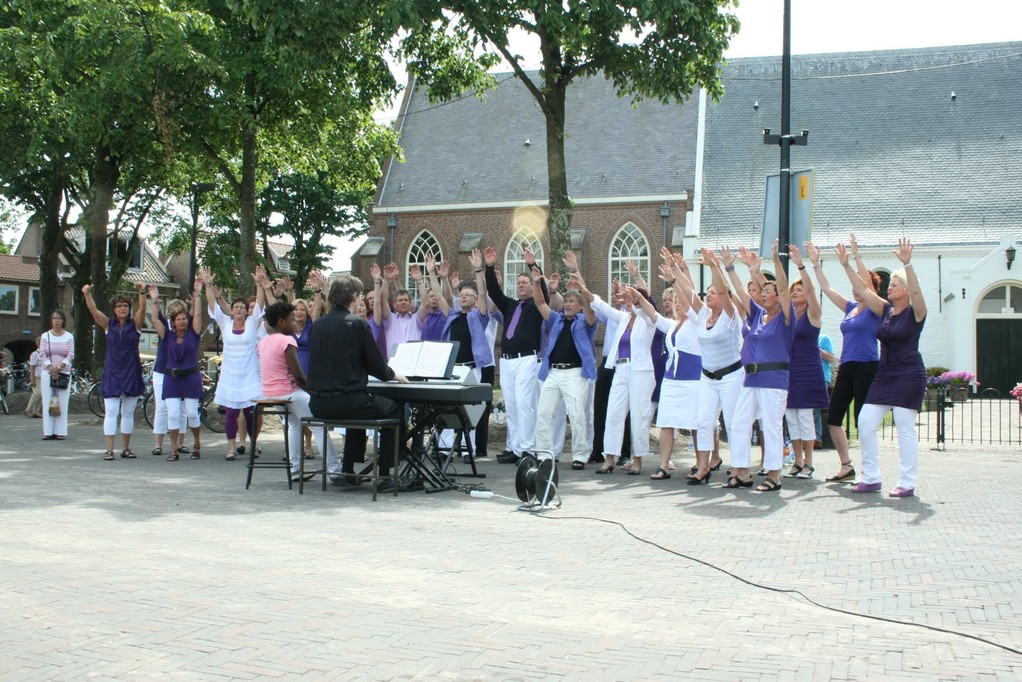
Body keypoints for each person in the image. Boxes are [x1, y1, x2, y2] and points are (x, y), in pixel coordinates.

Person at [840, 238, 927, 497]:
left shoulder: (916, 311)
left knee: (904, 427)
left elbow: (918, 293)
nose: (890, 287)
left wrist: (907, 264)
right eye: (890, 284)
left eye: (895, 285)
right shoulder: (886, 310)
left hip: (909, 373)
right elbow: (863, 289)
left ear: (906, 290)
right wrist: (847, 264)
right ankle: (871, 478)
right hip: (885, 374)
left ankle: (907, 482)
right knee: (865, 421)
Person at [306, 275, 408, 488]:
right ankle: (385, 475)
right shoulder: (357, 324)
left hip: (318, 404)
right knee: (393, 409)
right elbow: (375, 364)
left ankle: (347, 471)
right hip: (347, 403)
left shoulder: (317, 325)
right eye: (360, 296)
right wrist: (392, 375)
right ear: (354, 297)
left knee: (359, 405)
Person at [805, 238, 881, 483]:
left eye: (859, 286)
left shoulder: (876, 309)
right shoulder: (850, 308)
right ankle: (846, 465)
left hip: (867, 367)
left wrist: (854, 258)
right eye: (853, 286)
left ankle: (869, 471)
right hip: (847, 367)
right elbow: (827, 288)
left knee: (863, 421)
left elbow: (866, 285)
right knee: (834, 418)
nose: (855, 289)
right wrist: (815, 264)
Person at [721, 243, 793, 492]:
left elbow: (783, 288)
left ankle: (774, 474)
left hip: (774, 378)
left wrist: (776, 263)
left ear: (778, 297)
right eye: (762, 292)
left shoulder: (785, 318)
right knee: (740, 422)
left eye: (768, 292)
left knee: (771, 425)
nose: (763, 294)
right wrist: (730, 267)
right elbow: (742, 293)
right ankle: (742, 471)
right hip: (751, 379)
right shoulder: (757, 316)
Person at [634, 248, 704, 480]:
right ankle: (664, 464)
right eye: (675, 302)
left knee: (695, 424)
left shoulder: (696, 322)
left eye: (679, 301)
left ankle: (700, 464)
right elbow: (653, 315)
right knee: (666, 423)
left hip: (692, 381)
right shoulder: (672, 326)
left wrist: (676, 273)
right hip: (671, 381)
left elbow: (690, 294)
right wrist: (640, 298)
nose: (677, 304)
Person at [483, 246, 549, 464]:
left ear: (532, 285)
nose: (520, 285)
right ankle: (514, 447)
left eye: (525, 282)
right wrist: (489, 266)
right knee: (511, 405)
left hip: (527, 359)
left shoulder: (537, 306)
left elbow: (544, 292)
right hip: (507, 361)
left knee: (524, 404)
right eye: (518, 282)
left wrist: (533, 266)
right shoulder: (511, 305)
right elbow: (493, 292)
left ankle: (528, 449)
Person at [589, 279, 657, 476]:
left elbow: (648, 309)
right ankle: (609, 458)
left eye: (630, 299)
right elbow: (602, 306)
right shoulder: (624, 318)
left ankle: (637, 459)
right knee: (613, 413)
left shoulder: (647, 319)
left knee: (638, 416)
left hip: (640, 372)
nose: (626, 303)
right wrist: (584, 289)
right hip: (621, 369)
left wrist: (638, 296)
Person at [533, 266, 598, 469]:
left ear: (579, 306)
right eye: (566, 301)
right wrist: (536, 282)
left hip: (576, 373)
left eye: (571, 301)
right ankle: (544, 454)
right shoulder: (557, 319)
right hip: (553, 372)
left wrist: (582, 288)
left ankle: (580, 456)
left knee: (577, 415)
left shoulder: (585, 322)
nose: (567, 304)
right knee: (543, 414)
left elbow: (591, 310)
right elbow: (540, 303)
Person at [433, 249, 493, 458]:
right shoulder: (453, 315)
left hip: (472, 368)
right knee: (448, 407)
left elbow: (484, 295)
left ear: (475, 300)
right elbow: (439, 296)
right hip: (453, 369)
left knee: (471, 409)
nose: (464, 296)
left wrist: (478, 269)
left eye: (468, 295)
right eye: (462, 294)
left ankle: (470, 449)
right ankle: (445, 447)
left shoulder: (479, 316)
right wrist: (432, 274)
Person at [688, 248, 740, 484]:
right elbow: (687, 293)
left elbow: (723, 289)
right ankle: (703, 467)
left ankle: (738, 468)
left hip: (731, 376)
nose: (708, 295)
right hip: (707, 378)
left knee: (732, 422)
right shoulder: (704, 316)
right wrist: (677, 271)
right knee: (703, 421)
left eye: (713, 292)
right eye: (706, 292)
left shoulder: (730, 315)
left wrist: (714, 266)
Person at [82, 282, 148, 461]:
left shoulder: (135, 324)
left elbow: (143, 308)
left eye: (125, 305)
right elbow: (94, 311)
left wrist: (142, 292)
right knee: (111, 412)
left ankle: (125, 449)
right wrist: (87, 294)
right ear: (114, 309)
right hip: (112, 372)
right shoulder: (108, 324)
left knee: (128, 413)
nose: (123, 308)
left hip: (131, 372)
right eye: (119, 306)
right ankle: (109, 450)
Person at [205, 267, 266, 460]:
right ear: (231, 310)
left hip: (248, 374)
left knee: (250, 412)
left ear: (247, 311)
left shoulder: (253, 323)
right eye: (236, 307)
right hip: (230, 375)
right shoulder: (225, 323)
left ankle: (252, 444)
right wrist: (208, 284)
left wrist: (259, 284)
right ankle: (231, 448)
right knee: (230, 412)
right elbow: (213, 304)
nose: (239, 309)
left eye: (242, 307)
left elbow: (260, 303)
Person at [782, 245, 830, 479]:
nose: (795, 293)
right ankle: (797, 460)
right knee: (791, 416)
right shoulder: (789, 316)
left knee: (805, 416)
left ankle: (809, 462)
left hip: (808, 370)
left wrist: (801, 266)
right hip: (790, 371)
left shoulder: (813, 313)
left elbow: (812, 291)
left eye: (799, 290)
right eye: (793, 290)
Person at [258, 301, 318, 482]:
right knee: (319, 425)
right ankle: (334, 468)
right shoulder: (288, 340)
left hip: (269, 393)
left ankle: (295, 469)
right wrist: (314, 392)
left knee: (294, 424)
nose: (293, 323)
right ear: (281, 321)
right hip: (289, 392)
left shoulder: (263, 341)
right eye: (291, 320)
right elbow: (298, 375)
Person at [151, 281, 204, 460]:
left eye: (184, 318)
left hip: (190, 378)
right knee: (173, 414)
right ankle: (173, 449)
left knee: (191, 413)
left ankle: (196, 442)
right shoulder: (167, 335)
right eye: (179, 319)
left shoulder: (193, 334)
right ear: (173, 322)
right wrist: (154, 300)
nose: (182, 321)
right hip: (172, 379)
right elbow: (154, 320)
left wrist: (198, 295)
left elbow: (197, 314)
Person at [39, 309, 74, 441]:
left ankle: (60, 431)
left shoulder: (69, 336)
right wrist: (50, 367)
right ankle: (48, 431)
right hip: (48, 371)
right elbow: (42, 354)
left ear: (63, 320)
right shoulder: (45, 336)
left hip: (64, 372)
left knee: (62, 401)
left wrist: (60, 367)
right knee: (47, 400)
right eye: (54, 318)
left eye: (59, 318)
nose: (56, 321)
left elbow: (71, 354)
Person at [25, 336, 42, 418]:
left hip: (44, 377)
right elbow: (32, 367)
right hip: (37, 377)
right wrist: (32, 379)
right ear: (38, 344)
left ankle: (36, 411)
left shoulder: (45, 354)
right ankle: (28, 410)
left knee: (42, 394)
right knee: (37, 393)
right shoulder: (35, 354)